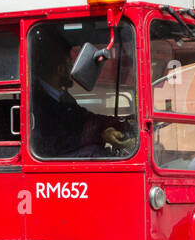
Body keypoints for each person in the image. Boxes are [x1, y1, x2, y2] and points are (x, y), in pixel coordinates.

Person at [29, 25, 133, 158]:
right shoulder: (36, 101)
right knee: (96, 153)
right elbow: (56, 142)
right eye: (69, 65)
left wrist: (118, 123)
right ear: (60, 69)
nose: (71, 70)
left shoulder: (62, 98)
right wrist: (101, 136)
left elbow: (86, 119)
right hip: (53, 159)